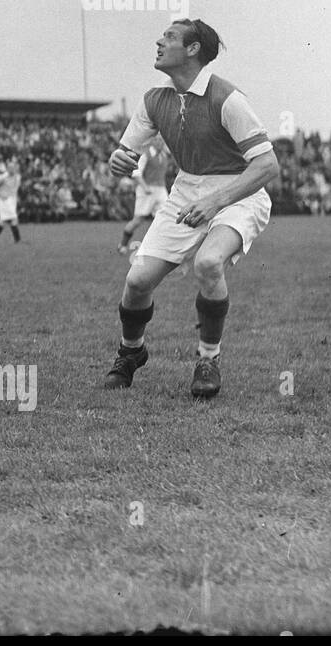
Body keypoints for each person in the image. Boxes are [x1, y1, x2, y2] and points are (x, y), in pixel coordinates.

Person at [102, 20, 277, 399]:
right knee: (136, 282)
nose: (159, 41)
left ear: (194, 49)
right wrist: (119, 159)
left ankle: (208, 359)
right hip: (186, 190)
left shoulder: (227, 98)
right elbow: (127, 151)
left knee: (208, 263)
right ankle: (131, 352)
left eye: (168, 37)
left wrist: (215, 202)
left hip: (239, 191)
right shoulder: (154, 99)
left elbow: (267, 166)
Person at [117, 140, 170, 255]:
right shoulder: (146, 154)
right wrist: (145, 187)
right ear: (153, 142)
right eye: (158, 140)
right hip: (146, 190)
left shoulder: (164, 154)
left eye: (163, 140)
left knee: (166, 218)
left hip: (161, 189)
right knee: (138, 221)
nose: (161, 143)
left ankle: (161, 249)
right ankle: (123, 244)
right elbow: (136, 173)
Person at [0, 160, 22, 245]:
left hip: (12, 200)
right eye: (10, 168)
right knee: (13, 219)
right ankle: (18, 240)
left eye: (14, 167)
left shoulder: (17, 177)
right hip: (5, 201)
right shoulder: (3, 177)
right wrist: (0, 193)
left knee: (3, 221)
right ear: (7, 169)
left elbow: (14, 189)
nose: (12, 169)